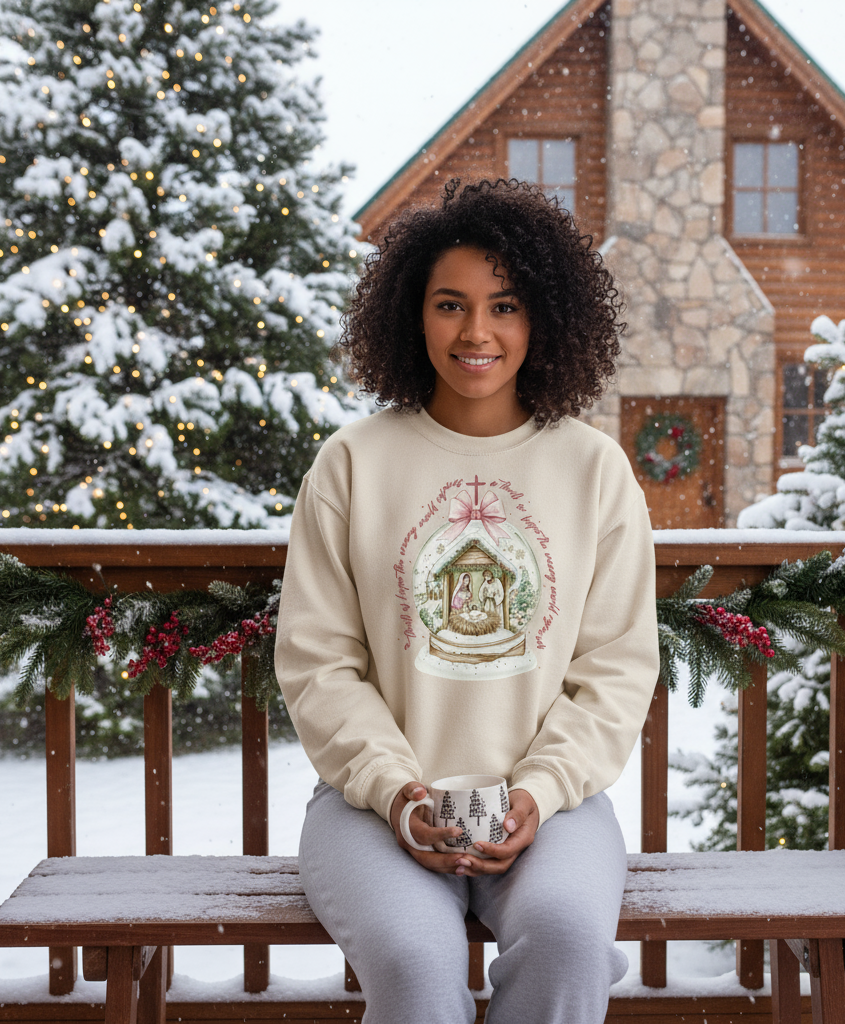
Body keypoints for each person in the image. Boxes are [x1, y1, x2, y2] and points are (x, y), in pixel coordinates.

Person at [275, 178, 660, 1024]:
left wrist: (544, 787)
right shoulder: (351, 463)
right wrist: (396, 791)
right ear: (414, 315)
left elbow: (617, 668)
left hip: (552, 810)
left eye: (506, 305)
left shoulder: (594, 471)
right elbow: (318, 662)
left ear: (544, 318)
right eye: (451, 304)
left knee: (566, 940)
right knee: (416, 965)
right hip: (371, 810)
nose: (477, 332)